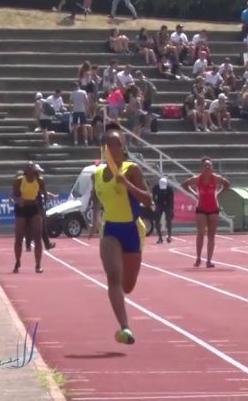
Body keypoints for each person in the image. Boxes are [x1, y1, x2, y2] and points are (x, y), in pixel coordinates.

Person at [90, 128, 153, 344]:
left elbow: (148, 200)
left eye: (117, 144)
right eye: (109, 144)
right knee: (113, 276)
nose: (113, 148)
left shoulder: (132, 169)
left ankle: (124, 323)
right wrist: (96, 219)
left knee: (128, 285)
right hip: (110, 230)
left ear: (123, 147)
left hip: (133, 230)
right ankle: (125, 327)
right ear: (103, 149)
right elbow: (97, 196)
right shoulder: (96, 174)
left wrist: (127, 185)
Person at [182, 158, 230, 268]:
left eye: (209, 165)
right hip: (201, 208)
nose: (207, 167)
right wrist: (194, 194)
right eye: (205, 165)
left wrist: (218, 193)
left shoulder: (216, 178)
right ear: (202, 167)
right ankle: (198, 258)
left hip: (213, 208)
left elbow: (227, 184)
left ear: (212, 167)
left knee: (211, 236)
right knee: (200, 234)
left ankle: (209, 260)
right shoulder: (197, 179)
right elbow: (184, 184)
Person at [12, 162, 46, 274]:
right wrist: (18, 200)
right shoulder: (19, 180)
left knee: (37, 237)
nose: (31, 171)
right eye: (29, 168)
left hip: (34, 208)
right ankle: (17, 262)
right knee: (18, 237)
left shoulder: (40, 180)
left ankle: (38, 265)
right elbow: (13, 194)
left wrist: (43, 205)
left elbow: (44, 193)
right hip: (21, 209)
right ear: (25, 171)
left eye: (32, 168)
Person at [152, 177, 174, 244]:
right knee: (157, 220)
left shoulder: (169, 188)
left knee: (169, 220)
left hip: (168, 205)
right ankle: (160, 237)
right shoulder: (155, 187)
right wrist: (156, 203)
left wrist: (172, 209)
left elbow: (172, 199)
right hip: (159, 204)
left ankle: (169, 236)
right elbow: (153, 196)